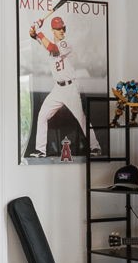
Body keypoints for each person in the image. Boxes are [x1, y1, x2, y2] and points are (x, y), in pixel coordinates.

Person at [27, 13, 94, 159]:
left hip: (70, 87)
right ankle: (41, 150)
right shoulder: (50, 43)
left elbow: (52, 49)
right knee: (42, 115)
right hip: (57, 89)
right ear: (53, 30)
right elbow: (35, 36)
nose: (62, 30)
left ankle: (95, 147)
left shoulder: (65, 43)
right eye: (58, 29)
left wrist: (39, 32)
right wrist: (34, 30)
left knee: (81, 118)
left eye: (63, 28)